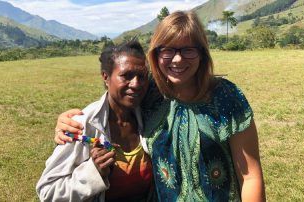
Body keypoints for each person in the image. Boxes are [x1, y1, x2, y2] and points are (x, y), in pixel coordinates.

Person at [54, 11, 266, 201]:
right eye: (168, 50)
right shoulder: (150, 93)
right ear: (156, 54)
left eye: (188, 50)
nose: (177, 59)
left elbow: (251, 176)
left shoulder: (226, 97)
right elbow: (115, 98)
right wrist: (68, 122)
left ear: (202, 53)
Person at [36, 41, 157, 202]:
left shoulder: (150, 116)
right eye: (126, 75)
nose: (136, 84)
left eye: (141, 76)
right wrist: (93, 172)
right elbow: (47, 191)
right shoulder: (82, 126)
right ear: (106, 77)